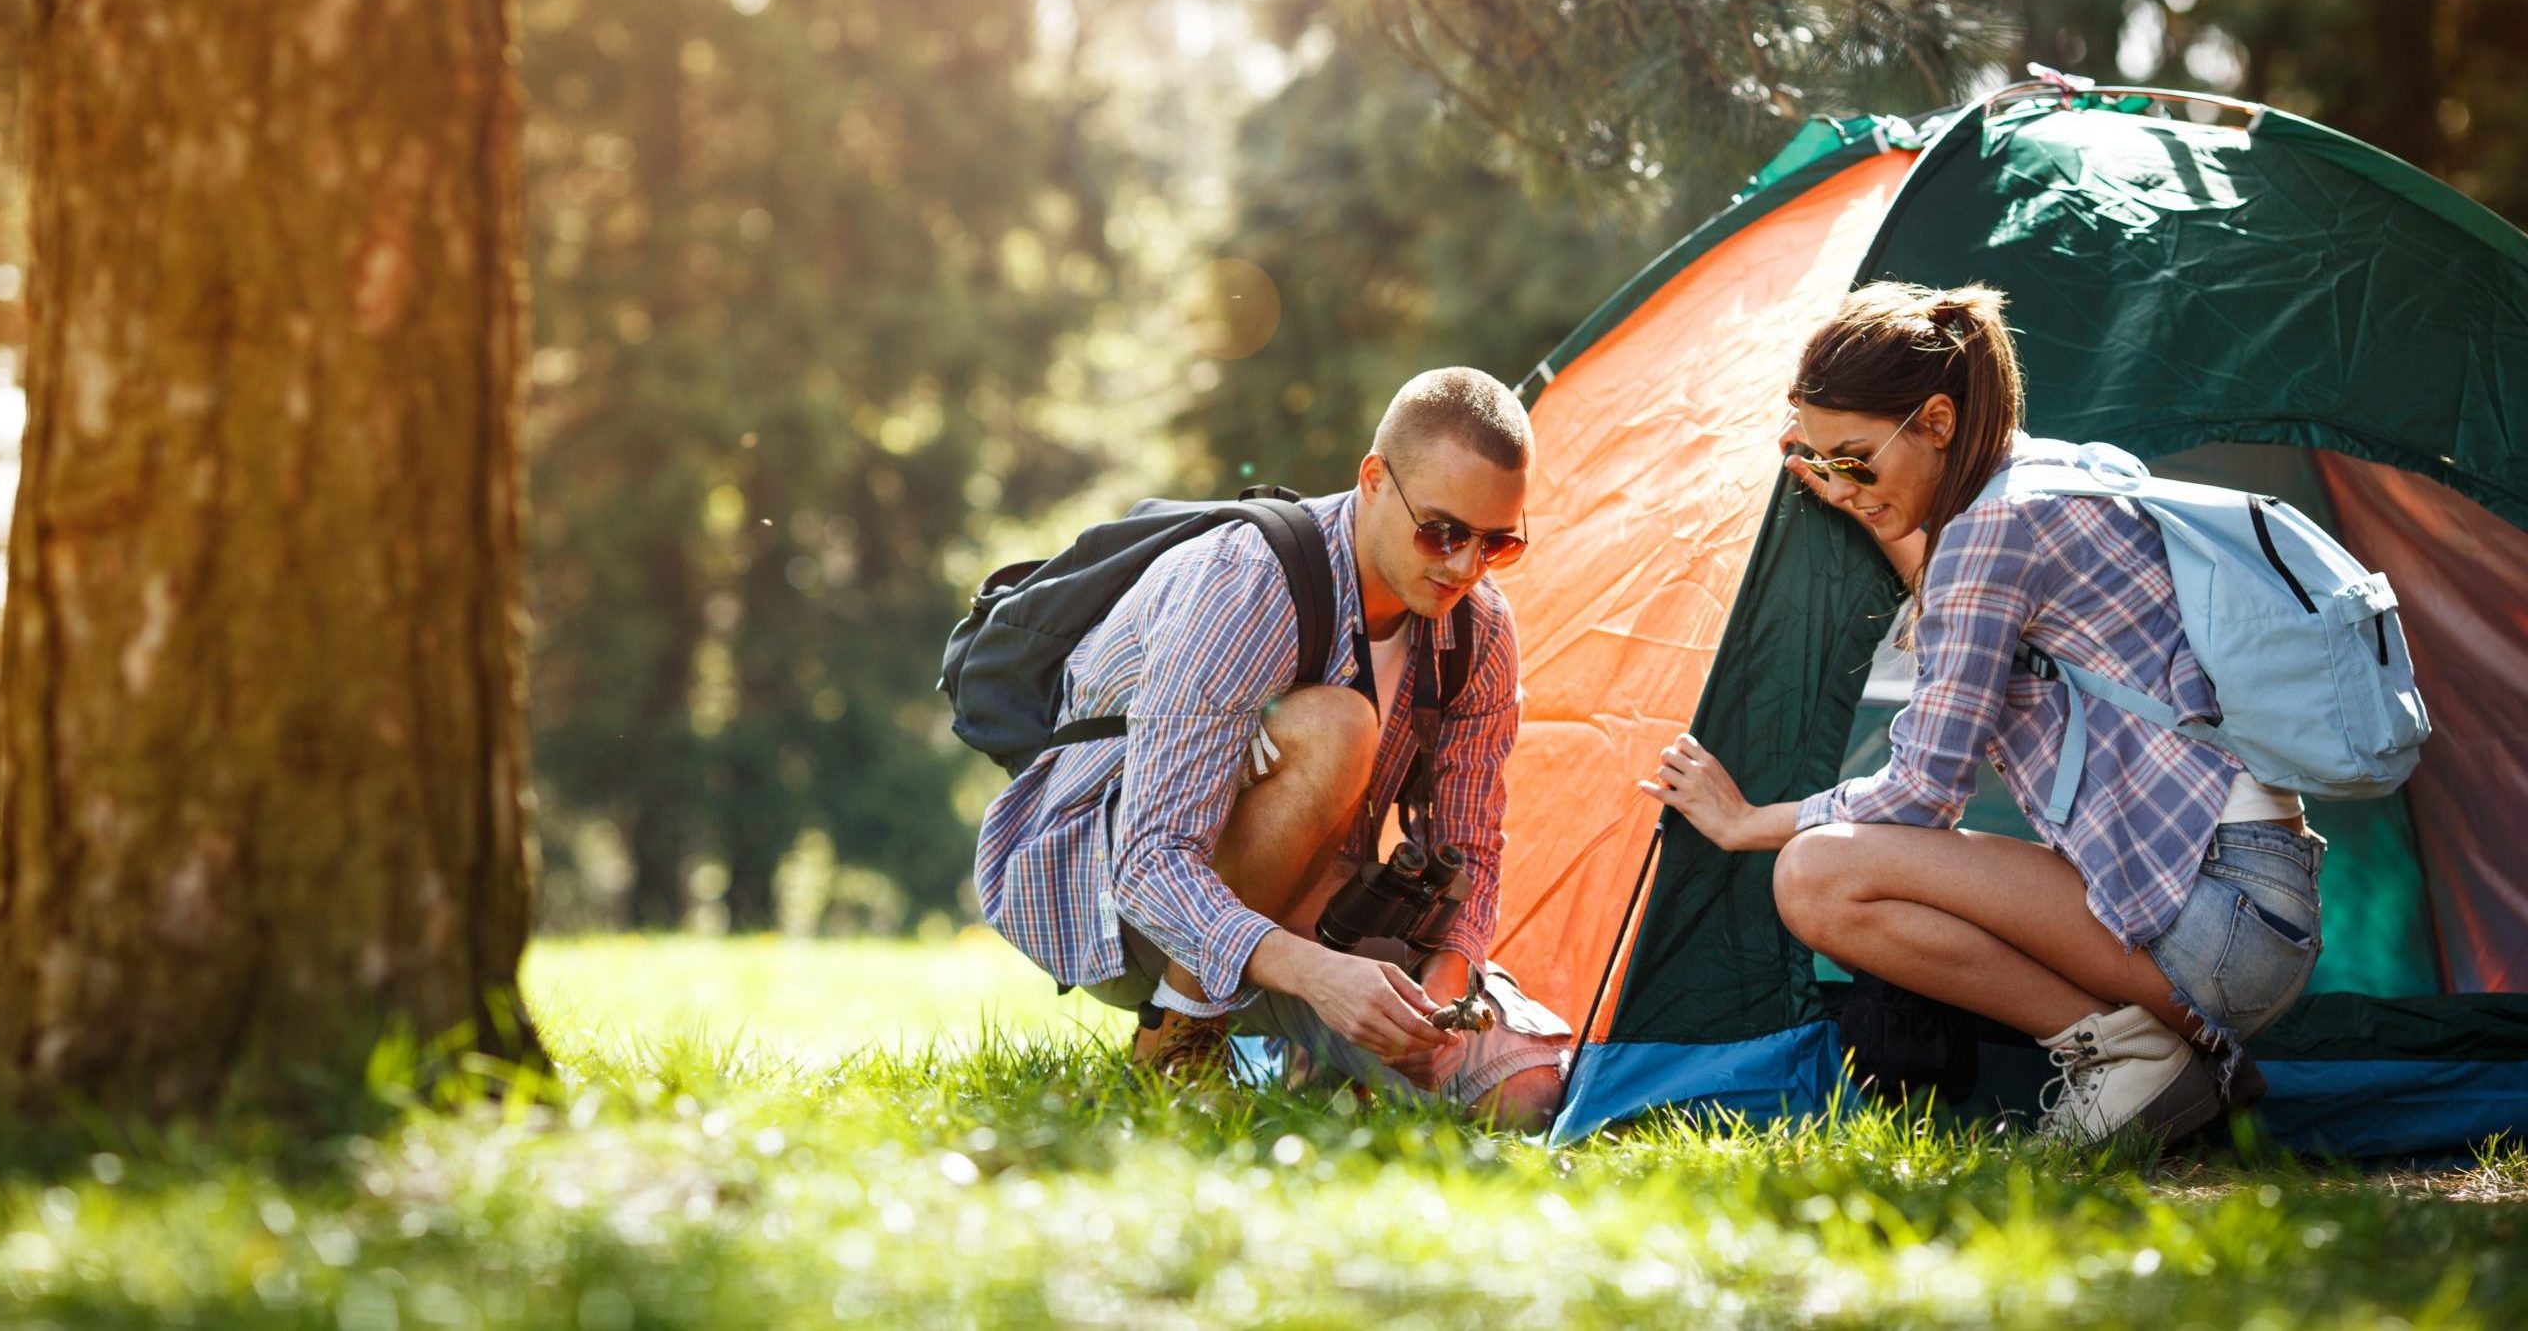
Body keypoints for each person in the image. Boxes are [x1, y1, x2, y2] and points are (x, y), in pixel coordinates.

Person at [1643, 282, 2323, 1146]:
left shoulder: (1989, 534)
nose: (1842, 486)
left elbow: (1923, 794)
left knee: (1816, 876)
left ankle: (2129, 1056)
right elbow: (1963, 593)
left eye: (1856, 459)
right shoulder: (2041, 479)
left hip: (2216, 918)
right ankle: (2190, 1055)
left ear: (1936, 421)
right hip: (2249, 907)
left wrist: (1749, 823)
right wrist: (1869, 493)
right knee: (1837, 866)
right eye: (1825, 461)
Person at [975, 368, 1573, 1128]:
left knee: (1525, 1097)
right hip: (1113, 903)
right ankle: (1177, 1038)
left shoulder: (1480, 628)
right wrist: (1322, 976)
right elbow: (1151, 862)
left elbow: (1472, 850)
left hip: (1315, 906)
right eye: (1442, 532)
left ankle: (1317, 1059)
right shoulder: (1245, 582)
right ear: (1374, 480)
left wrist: (1446, 986)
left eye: (1498, 543)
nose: (1465, 567)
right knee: (1338, 728)